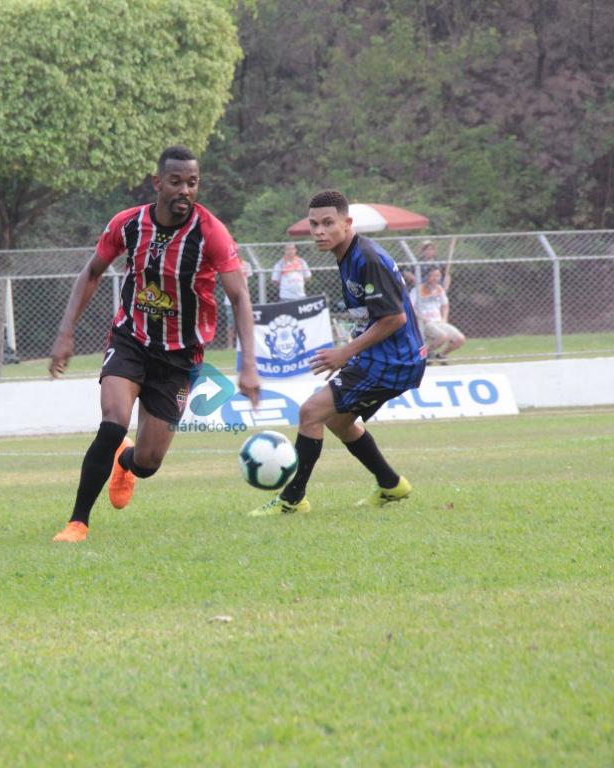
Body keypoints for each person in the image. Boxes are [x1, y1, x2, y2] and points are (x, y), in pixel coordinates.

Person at [49, 145, 261, 543]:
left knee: (148, 463)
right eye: (176, 182)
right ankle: (78, 522)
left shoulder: (211, 233)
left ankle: (126, 463)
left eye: (192, 183)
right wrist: (65, 333)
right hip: (131, 339)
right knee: (112, 423)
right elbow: (92, 272)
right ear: (158, 183)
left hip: (180, 357)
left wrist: (247, 363)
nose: (185, 190)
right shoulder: (128, 224)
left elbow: (240, 297)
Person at [250, 190, 426, 517]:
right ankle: (391, 484)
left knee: (310, 412)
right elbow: (376, 315)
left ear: (347, 223)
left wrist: (346, 352)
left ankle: (292, 500)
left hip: (393, 360)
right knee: (337, 421)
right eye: (314, 224)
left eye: (328, 223)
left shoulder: (368, 259)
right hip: (388, 356)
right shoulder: (349, 256)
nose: (319, 231)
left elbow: (394, 317)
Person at [410, 267, 464, 362]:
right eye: (432, 276)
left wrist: (444, 318)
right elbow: (410, 307)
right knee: (442, 337)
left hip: (439, 321)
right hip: (424, 322)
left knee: (459, 339)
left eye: (438, 276)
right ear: (426, 277)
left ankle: (441, 356)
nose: (435, 278)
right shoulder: (417, 290)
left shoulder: (439, 289)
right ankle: (422, 356)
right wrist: (421, 318)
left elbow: (445, 305)